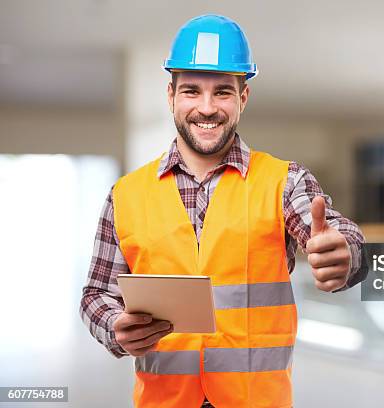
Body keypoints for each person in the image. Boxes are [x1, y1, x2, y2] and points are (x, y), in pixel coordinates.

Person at [80, 14, 367, 408]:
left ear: (243, 98)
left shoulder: (285, 182)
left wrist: (345, 252)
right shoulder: (126, 194)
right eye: (192, 91)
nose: (207, 107)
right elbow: (97, 293)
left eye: (223, 92)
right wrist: (115, 327)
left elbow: (333, 233)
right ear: (171, 96)